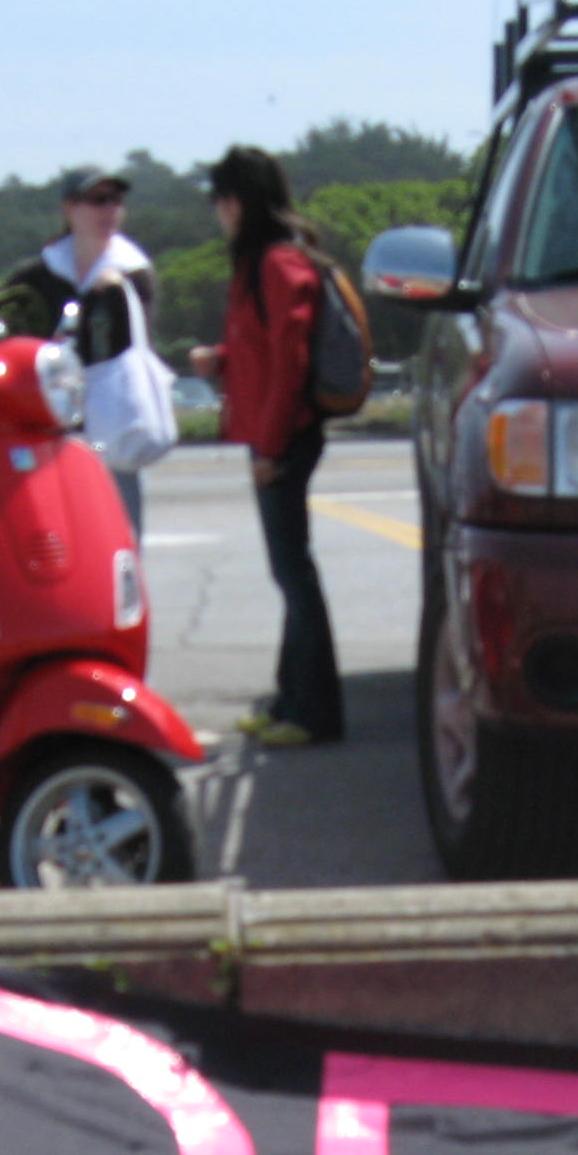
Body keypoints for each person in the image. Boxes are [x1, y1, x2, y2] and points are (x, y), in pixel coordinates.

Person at [192, 145, 342, 749]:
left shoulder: (276, 263)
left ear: (236, 202)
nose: (219, 213)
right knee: (289, 573)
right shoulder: (267, 260)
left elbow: (290, 360)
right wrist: (222, 360)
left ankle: (315, 714)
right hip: (276, 435)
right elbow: (267, 349)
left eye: (221, 200)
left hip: (283, 437)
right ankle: (290, 699)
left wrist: (270, 449)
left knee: (293, 574)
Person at [0, 167, 163, 534]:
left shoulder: (133, 274)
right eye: (97, 200)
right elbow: (3, 342)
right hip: (48, 426)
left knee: (120, 535)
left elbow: (132, 351)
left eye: (115, 200)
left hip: (112, 423)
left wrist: (110, 298)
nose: (109, 210)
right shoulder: (35, 276)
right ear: (69, 208)